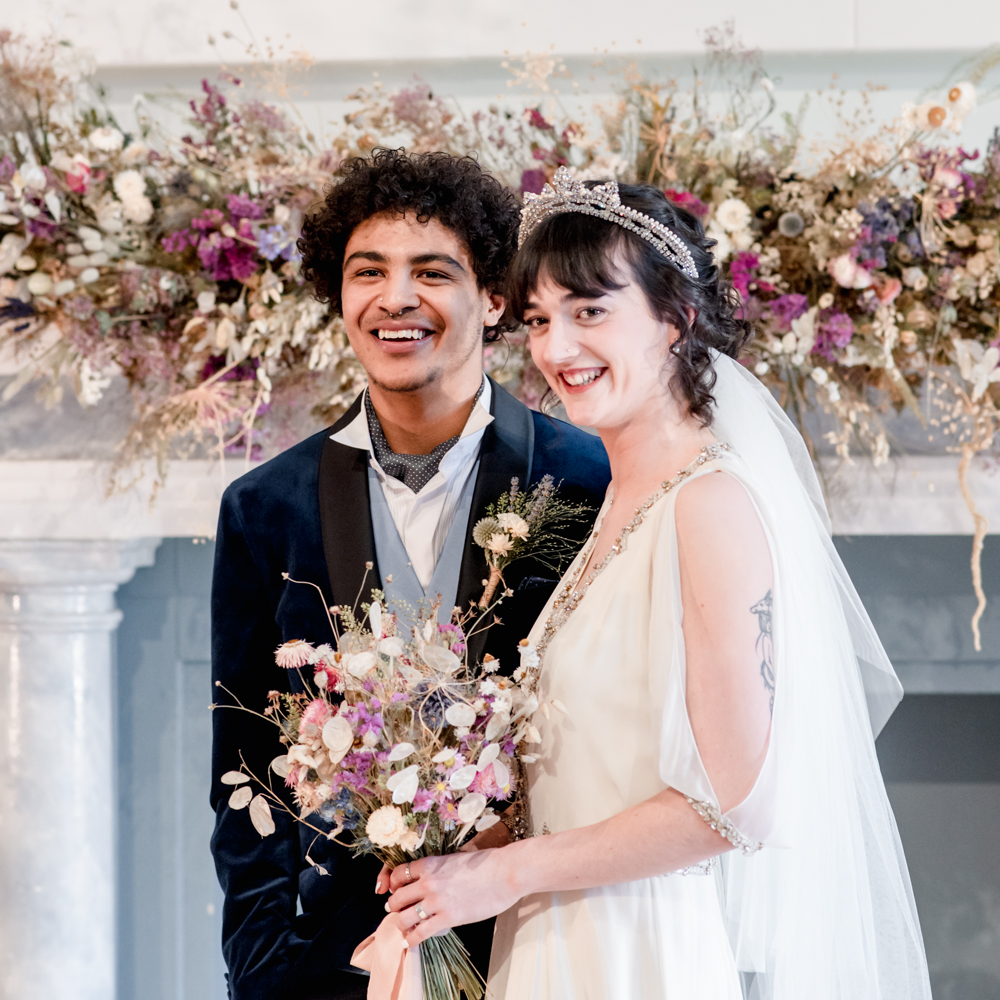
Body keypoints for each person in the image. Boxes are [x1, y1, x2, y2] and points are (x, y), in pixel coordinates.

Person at [380, 169, 934, 1000]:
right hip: (556, 938)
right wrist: (464, 858)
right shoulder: (615, 502)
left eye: (589, 311)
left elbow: (734, 805)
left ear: (675, 319)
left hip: (637, 955)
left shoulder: (709, 505)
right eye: (538, 320)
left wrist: (509, 875)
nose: (556, 349)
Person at [209, 151, 611, 1000]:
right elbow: (243, 769)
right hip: (335, 964)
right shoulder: (262, 506)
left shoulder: (592, 477)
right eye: (368, 273)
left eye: (432, 272)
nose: (395, 299)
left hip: (550, 943)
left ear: (495, 297)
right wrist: (263, 971)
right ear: (341, 295)